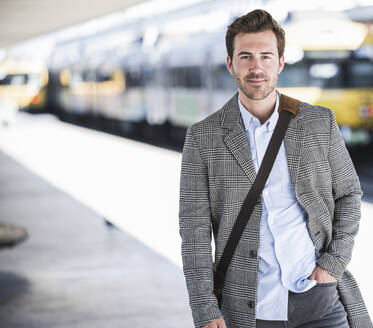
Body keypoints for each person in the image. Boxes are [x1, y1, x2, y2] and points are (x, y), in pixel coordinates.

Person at [178, 9, 372, 328]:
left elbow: (350, 194)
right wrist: (204, 307)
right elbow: (194, 230)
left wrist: (334, 263)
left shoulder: (318, 122)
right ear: (230, 63)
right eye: (246, 56)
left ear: (280, 62)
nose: (257, 67)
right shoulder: (203, 138)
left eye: (266, 56)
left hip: (319, 301)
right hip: (248, 310)